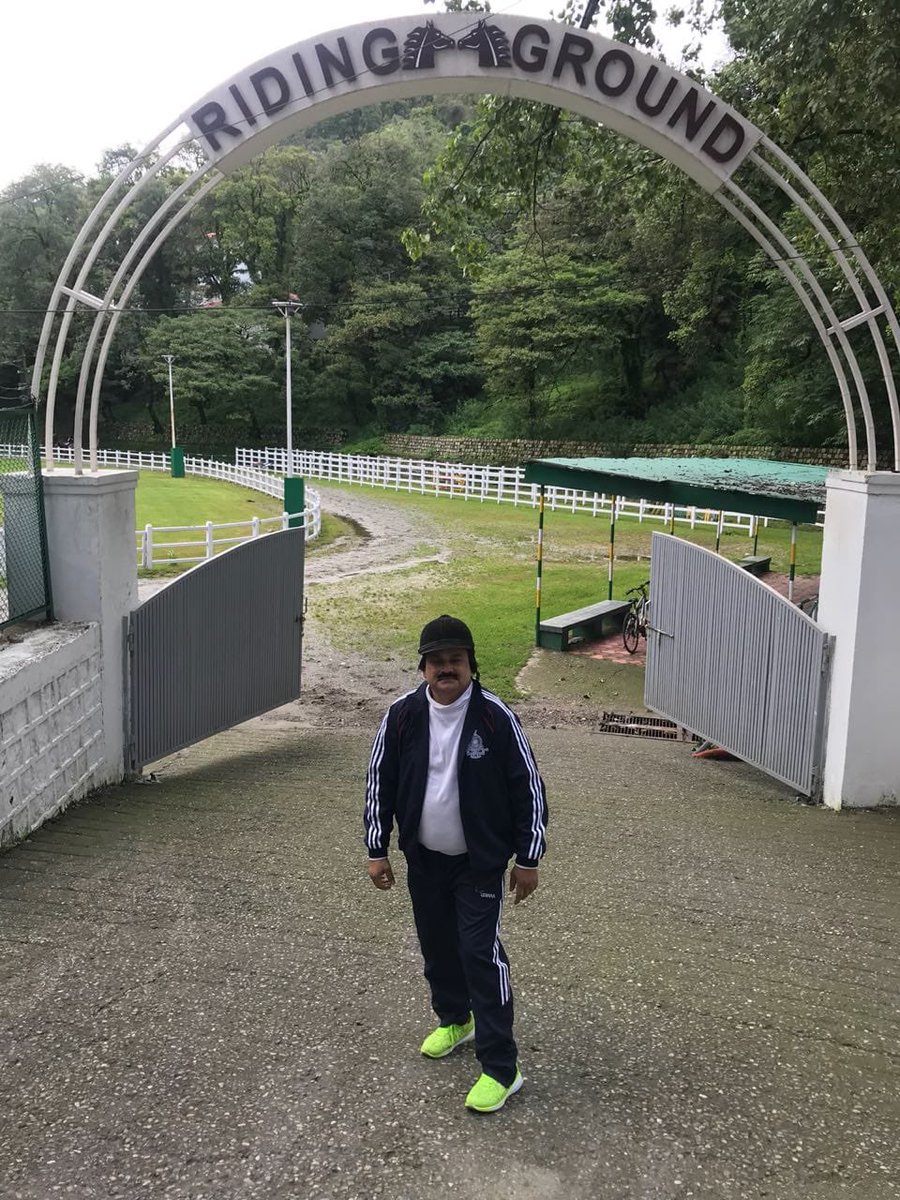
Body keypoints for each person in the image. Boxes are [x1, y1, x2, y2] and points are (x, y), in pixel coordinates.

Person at [364, 614, 548, 1113]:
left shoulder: (495, 717)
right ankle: (455, 1019)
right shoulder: (402, 715)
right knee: (437, 947)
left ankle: (502, 1068)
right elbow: (379, 780)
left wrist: (528, 858)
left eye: (456, 660)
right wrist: (377, 849)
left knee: (479, 954)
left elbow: (528, 788)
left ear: (471, 665)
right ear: (423, 667)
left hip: (478, 863)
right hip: (425, 860)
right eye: (437, 661)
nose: (447, 668)